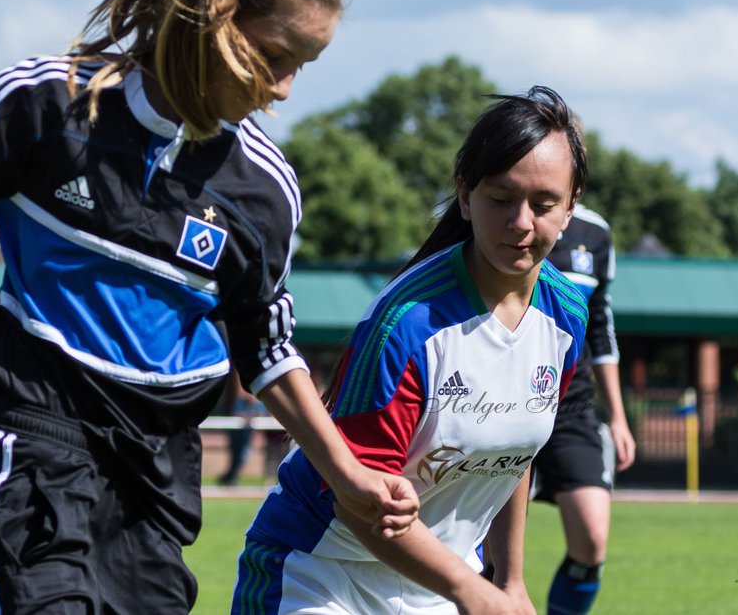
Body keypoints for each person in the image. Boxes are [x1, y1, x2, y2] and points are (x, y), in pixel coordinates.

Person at [0, 0, 418, 613]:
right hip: (32, 450)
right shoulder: (51, 103)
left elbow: (267, 348)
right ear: (211, 17)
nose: (285, 89)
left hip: (155, 485)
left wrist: (346, 473)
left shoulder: (267, 192)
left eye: (306, 64)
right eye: (273, 57)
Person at [233, 86, 590, 615]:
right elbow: (357, 501)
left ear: (570, 208)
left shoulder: (567, 316)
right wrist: (471, 589)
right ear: (465, 197)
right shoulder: (408, 322)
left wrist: (509, 580)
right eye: (500, 198)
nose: (520, 222)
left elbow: (513, 457)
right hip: (322, 574)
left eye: (543, 205)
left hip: (442, 582)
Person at [528, 202, 635, 614]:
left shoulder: (596, 232)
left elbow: (600, 326)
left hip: (571, 407)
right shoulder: (506, 217)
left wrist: (619, 418)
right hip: (498, 401)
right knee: (486, 552)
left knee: (591, 539)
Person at [218, 370, 266, 487]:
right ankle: (229, 478)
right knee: (235, 456)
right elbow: (235, 413)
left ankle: (229, 477)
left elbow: (263, 414)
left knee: (243, 457)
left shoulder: (259, 403)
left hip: (247, 436)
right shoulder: (239, 401)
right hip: (236, 435)